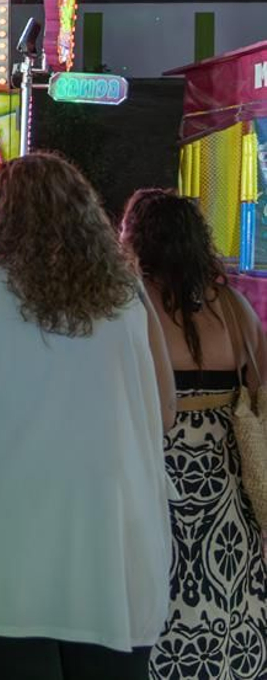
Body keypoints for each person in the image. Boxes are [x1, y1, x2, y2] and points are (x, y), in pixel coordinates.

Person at [0, 154, 176, 679]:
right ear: (85, 212)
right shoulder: (128, 297)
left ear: (0, 218)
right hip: (110, 532)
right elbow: (166, 409)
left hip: (2, 532)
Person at [121, 189, 267, 680]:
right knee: (231, 605)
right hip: (228, 494)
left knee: (160, 600)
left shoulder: (132, 305)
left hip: (157, 484)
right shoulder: (229, 305)